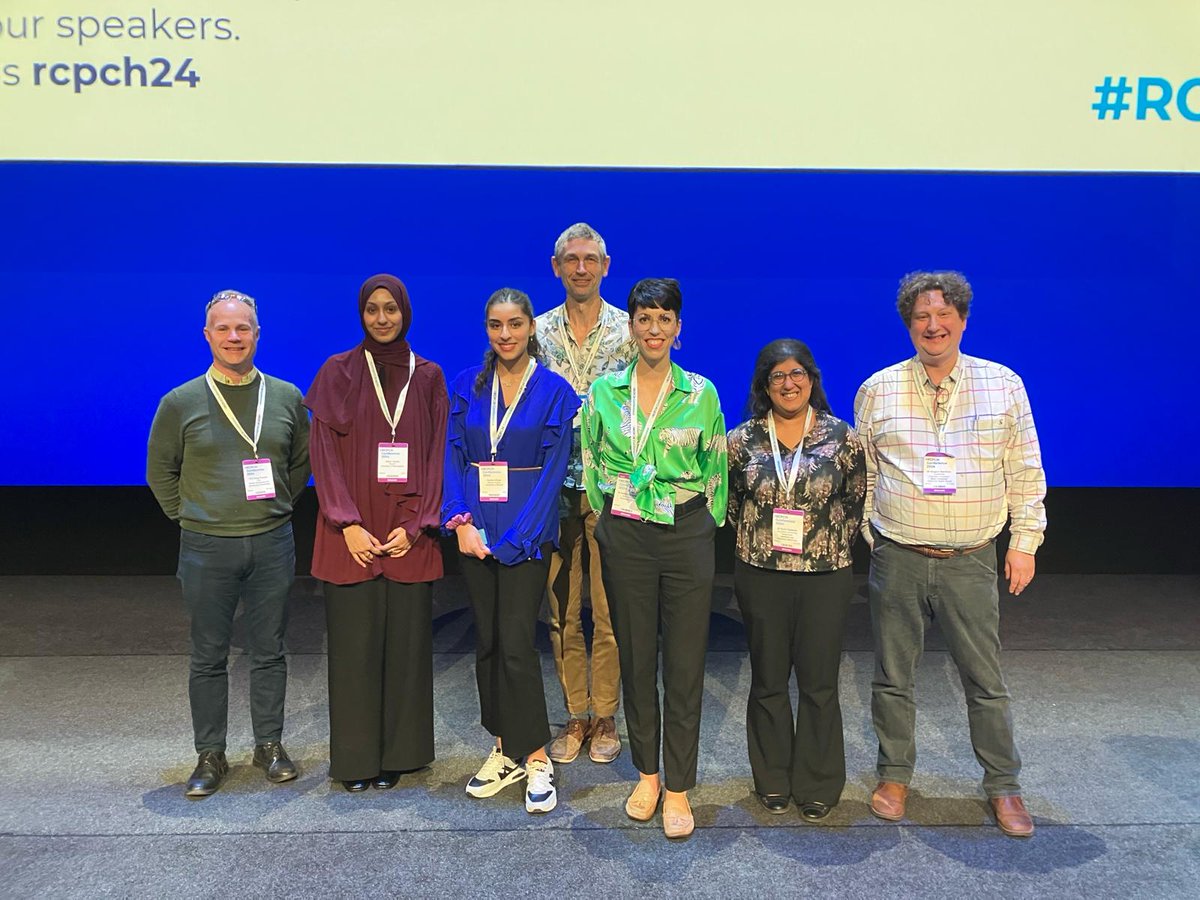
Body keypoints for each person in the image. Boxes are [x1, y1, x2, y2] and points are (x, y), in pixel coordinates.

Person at [854, 271, 1046, 838]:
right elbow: (863, 475)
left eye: (943, 315)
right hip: (899, 556)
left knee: (984, 679)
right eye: (920, 317)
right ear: (908, 325)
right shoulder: (878, 388)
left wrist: (1025, 543)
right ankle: (894, 776)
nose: (932, 326)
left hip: (971, 558)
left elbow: (1025, 470)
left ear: (962, 320)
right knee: (892, 677)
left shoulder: (1003, 384)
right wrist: (878, 537)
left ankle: (1004, 785)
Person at [147, 289, 310, 798]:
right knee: (208, 655)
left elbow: (299, 465)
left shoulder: (285, 396)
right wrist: (193, 517)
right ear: (208, 335)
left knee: (269, 650)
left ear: (257, 335)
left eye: (243, 329)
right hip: (206, 547)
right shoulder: (180, 402)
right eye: (224, 328)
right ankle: (210, 753)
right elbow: (160, 472)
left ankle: (269, 744)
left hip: (270, 542)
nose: (234, 337)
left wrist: (275, 507)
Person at [582, 277, 727, 839]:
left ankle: (680, 787)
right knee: (637, 657)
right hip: (626, 531)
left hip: (686, 531)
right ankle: (647, 774)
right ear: (632, 326)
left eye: (665, 318)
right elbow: (592, 459)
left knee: (685, 663)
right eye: (645, 318)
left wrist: (703, 521)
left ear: (678, 329)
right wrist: (611, 517)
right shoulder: (603, 391)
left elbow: (717, 469)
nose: (654, 328)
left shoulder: (702, 393)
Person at [305, 274, 449, 793]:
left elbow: (438, 457)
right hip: (354, 540)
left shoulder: (428, 376)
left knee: (406, 652)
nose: (382, 318)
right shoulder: (337, 371)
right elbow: (323, 455)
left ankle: (400, 755)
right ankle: (357, 759)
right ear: (361, 315)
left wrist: (417, 526)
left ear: (405, 313)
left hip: (409, 536)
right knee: (354, 652)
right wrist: (346, 523)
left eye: (391, 309)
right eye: (372, 309)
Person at [442, 287, 580, 814]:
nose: (506, 334)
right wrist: (460, 524)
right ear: (487, 330)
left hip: (525, 536)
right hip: (474, 533)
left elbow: (553, 473)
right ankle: (504, 748)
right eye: (496, 325)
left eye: (516, 324)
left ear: (530, 329)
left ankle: (537, 756)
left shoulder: (554, 390)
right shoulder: (466, 386)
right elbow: (451, 458)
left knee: (518, 644)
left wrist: (519, 538)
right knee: (489, 643)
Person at [727, 339, 866, 821]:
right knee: (767, 680)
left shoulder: (841, 437)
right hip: (761, 574)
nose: (789, 384)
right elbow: (730, 506)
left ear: (811, 378)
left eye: (797, 374)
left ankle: (819, 783)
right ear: (764, 386)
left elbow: (854, 503)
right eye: (777, 376)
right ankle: (771, 778)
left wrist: (822, 545)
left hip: (824, 576)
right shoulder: (741, 439)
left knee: (819, 682)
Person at [535, 223, 634, 766]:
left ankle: (605, 717)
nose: (580, 267)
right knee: (561, 612)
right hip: (551, 487)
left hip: (609, 487)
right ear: (556, 267)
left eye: (590, 259)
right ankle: (575, 714)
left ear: (605, 264)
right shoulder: (537, 332)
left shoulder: (627, 330)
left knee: (609, 610)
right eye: (571, 259)